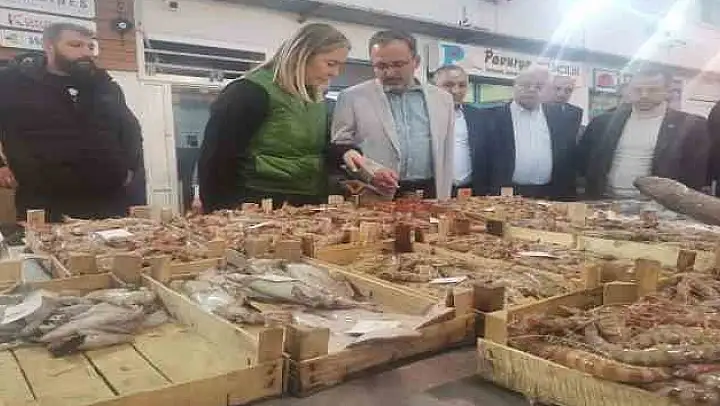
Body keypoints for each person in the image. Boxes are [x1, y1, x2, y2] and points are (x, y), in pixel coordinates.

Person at [198, 23, 350, 212]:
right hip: (256, 204)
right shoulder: (248, 92)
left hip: (305, 203)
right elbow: (215, 160)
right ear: (301, 55)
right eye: (330, 64)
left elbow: (314, 149)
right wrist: (218, 213)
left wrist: (345, 153)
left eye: (339, 66)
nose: (335, 73)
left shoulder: (315, 98)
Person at [0, 23, 143, 222]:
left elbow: (130, 129)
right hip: (45, 204)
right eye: (75, 45)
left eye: (90, 46)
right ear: (49, 46)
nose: (86, 52)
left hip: (108, 203)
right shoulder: (13, 83)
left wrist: (130, 169)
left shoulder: (104, 86)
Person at [331, 30, 455, 200]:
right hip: (374, 193)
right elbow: (341, 146)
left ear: (416, 62)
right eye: (381, 66)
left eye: (398, 65)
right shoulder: (351, 97)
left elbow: (447, 154)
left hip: (430, 192)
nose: (389, 73)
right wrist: (369, 173)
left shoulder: (443, 99)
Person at [578, 67, 710, 199]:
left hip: (659, 205)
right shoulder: (603, 122)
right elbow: (584, 161)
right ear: (628, 90)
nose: (644, 95)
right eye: (637, 89)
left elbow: (695, 175)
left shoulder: (691, 126)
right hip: (604, 202)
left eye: (652, 90)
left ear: (667, 91)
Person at [482, 67, 579, 200]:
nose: (532, 90)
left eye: (539, 86)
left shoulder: (559, 117)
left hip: (549, 193)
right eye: (525, 85)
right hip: (506, 193)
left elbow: (566, 157)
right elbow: (483, 158)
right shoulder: (492, 117)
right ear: (514, 86)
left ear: (547, 91)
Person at [431, 65, 488, 196]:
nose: (455, 90)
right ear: (434, 87)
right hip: (435, 191)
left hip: (471, 191)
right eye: (448, 85)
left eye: (462, 85)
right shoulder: (424, 115)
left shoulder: (478, 116)